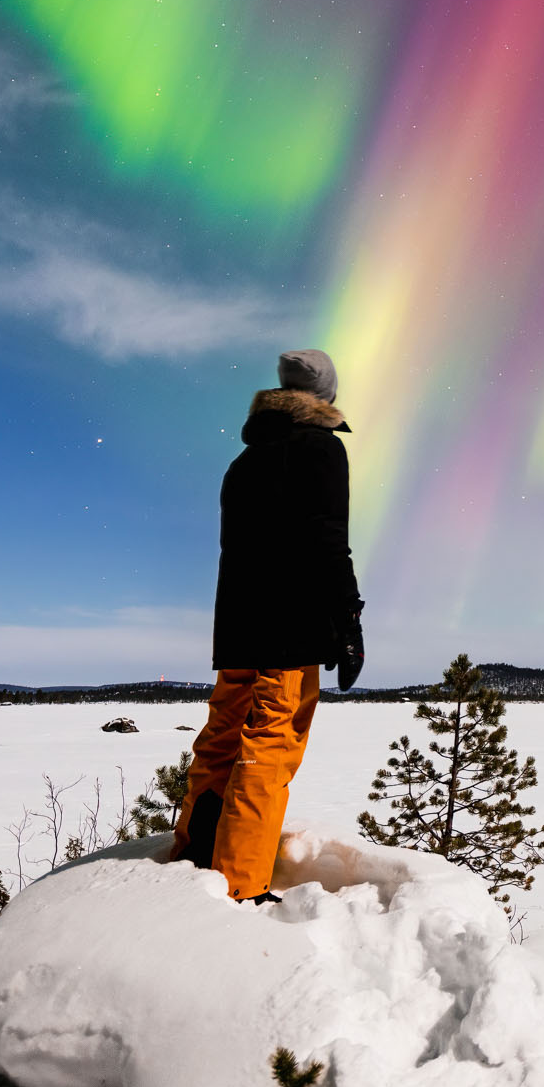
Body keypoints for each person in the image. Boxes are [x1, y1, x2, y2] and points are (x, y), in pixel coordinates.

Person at [171, 347, 364, 901]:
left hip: (237, 627)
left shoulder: (244, 463)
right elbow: (328, 540)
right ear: (325, 397)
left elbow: (239, 552)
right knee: (269, 744)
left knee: (222, 737)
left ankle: (193, 854)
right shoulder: (322, 450)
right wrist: (348, 622)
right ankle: (240, 883)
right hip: (290, 627)